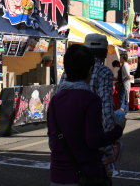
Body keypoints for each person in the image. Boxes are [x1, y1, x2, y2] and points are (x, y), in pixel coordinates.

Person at [48, 44, 125, 185]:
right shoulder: (90, 99)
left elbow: (52, 142)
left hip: (58, 174)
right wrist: (118, 129)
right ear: (90, 69)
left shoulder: (55, 100)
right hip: (85, 174)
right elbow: (94, 140)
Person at [58, 33, 117, 176]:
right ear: (104, 53)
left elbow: (58, 100)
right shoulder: (104, 72)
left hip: (68, 137)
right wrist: (111, 138)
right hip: (93, 139)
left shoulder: (68, 72)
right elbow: (106, 111)